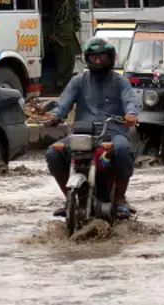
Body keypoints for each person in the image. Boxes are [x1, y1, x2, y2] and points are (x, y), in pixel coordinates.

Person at [44, 38, 139, 219]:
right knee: (53, 153)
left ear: (110, 57)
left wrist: (131, 114)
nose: (97, 61)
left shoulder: (121, 82)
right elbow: (63, 104)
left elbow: (130, 102)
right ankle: (69, 199)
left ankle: (120, 199)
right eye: (92, 57)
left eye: (101, 57)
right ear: (86, 59)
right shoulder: (78, 81)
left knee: (123, 149)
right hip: (83, 134)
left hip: (112, 132)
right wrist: (55, 116)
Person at [44, 0, 82, 91]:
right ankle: (61, 82)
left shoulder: (70, 5)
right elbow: (53, 21)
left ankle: (66, 82)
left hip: (69, 38)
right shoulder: (58, 5)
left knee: (70, 62)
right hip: (59, 39)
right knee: (62, 63)